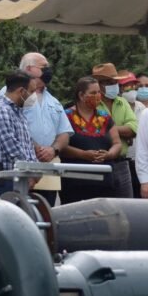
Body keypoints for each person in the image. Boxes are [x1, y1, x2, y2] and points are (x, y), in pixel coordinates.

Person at [18, 52, 72, 206]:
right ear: (29, 69)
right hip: (23, 170)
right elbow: (11, 128)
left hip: (49, 172)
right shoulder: (13, 95)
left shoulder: (53, 101)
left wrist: (53, 150)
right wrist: (36, 148)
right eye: (44, 67)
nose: (48, 71)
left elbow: (64, 133)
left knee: (46, 214)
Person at [60, 76, 123, 204]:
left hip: (105, 182)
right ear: (81, 95)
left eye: (99, 92)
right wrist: (83, 154)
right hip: (75, 183)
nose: (98, 96)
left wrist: (109, 154)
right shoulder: (65, 116)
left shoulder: (105, 117)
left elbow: (117, 143)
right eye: (93, 93)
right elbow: (60, 146)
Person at [0, 70, 38, 197]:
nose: (34, 96)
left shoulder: (18, 112)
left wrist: (35, 170)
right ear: (21, 91)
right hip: (2, 178)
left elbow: (28, 146)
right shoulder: (1, 110)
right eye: (32, 91)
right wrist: (30, 171)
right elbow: (12, 148)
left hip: (17, 177)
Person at [92, 63, 136, 198]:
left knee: (126, 205)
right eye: (108, 82)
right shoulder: (91, 105)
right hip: (100, 164)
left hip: (122, 164)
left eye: (115, 82)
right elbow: (94, 132)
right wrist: (122, 132)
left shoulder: (123, 102)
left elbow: (133, 128)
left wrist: (109, 128)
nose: (113, 85)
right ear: (99, 85)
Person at [118, 70, 147, 198]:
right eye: (127, 86)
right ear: (120, 88)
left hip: (141, 161)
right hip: (125, 159)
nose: (132, 89)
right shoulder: (117, 106)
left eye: (134, 86)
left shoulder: (142, 107)